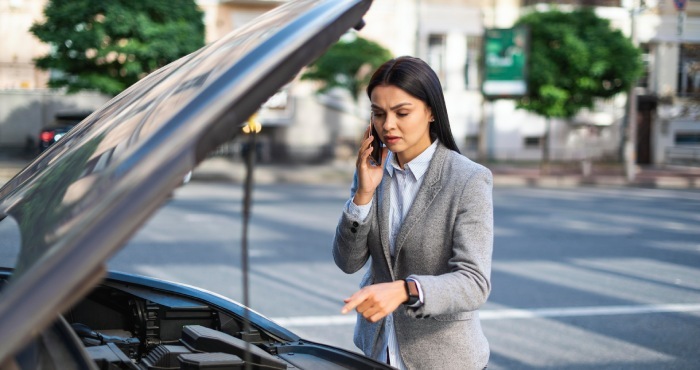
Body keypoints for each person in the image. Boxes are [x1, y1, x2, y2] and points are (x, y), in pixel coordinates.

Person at [332, 56, 493, 370]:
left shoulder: (468, 179)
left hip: (443, 359)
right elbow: (348, 262)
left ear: (431, 111)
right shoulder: (372, 171)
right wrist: (364, 194)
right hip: (378, 352)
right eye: (378, 114)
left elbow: (474, 283)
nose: (387, 125)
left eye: (401, 112)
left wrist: (407, 290)